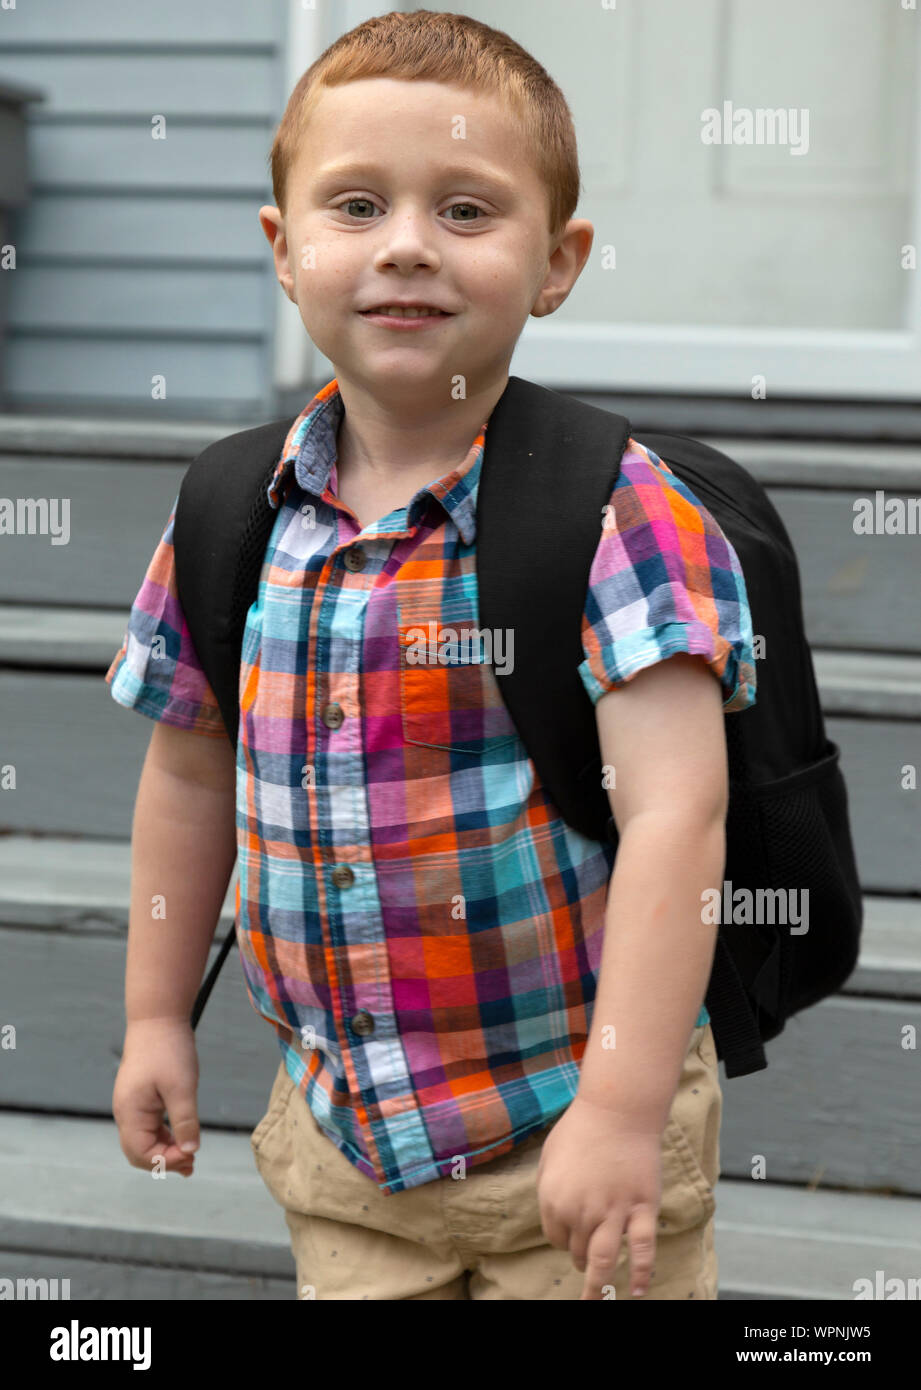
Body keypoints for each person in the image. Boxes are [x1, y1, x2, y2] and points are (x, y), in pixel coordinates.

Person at [107, 9, 756, 1301]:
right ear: (283, 251)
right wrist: (150, 1015)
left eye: (466, 211)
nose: (407, 244)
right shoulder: (232, 510)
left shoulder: (611, 508)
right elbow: (188, 778)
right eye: (356, 205)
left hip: (570, 1130)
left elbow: (679, 813)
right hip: (349, 1151)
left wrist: (623, 1110)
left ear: (557, 261)